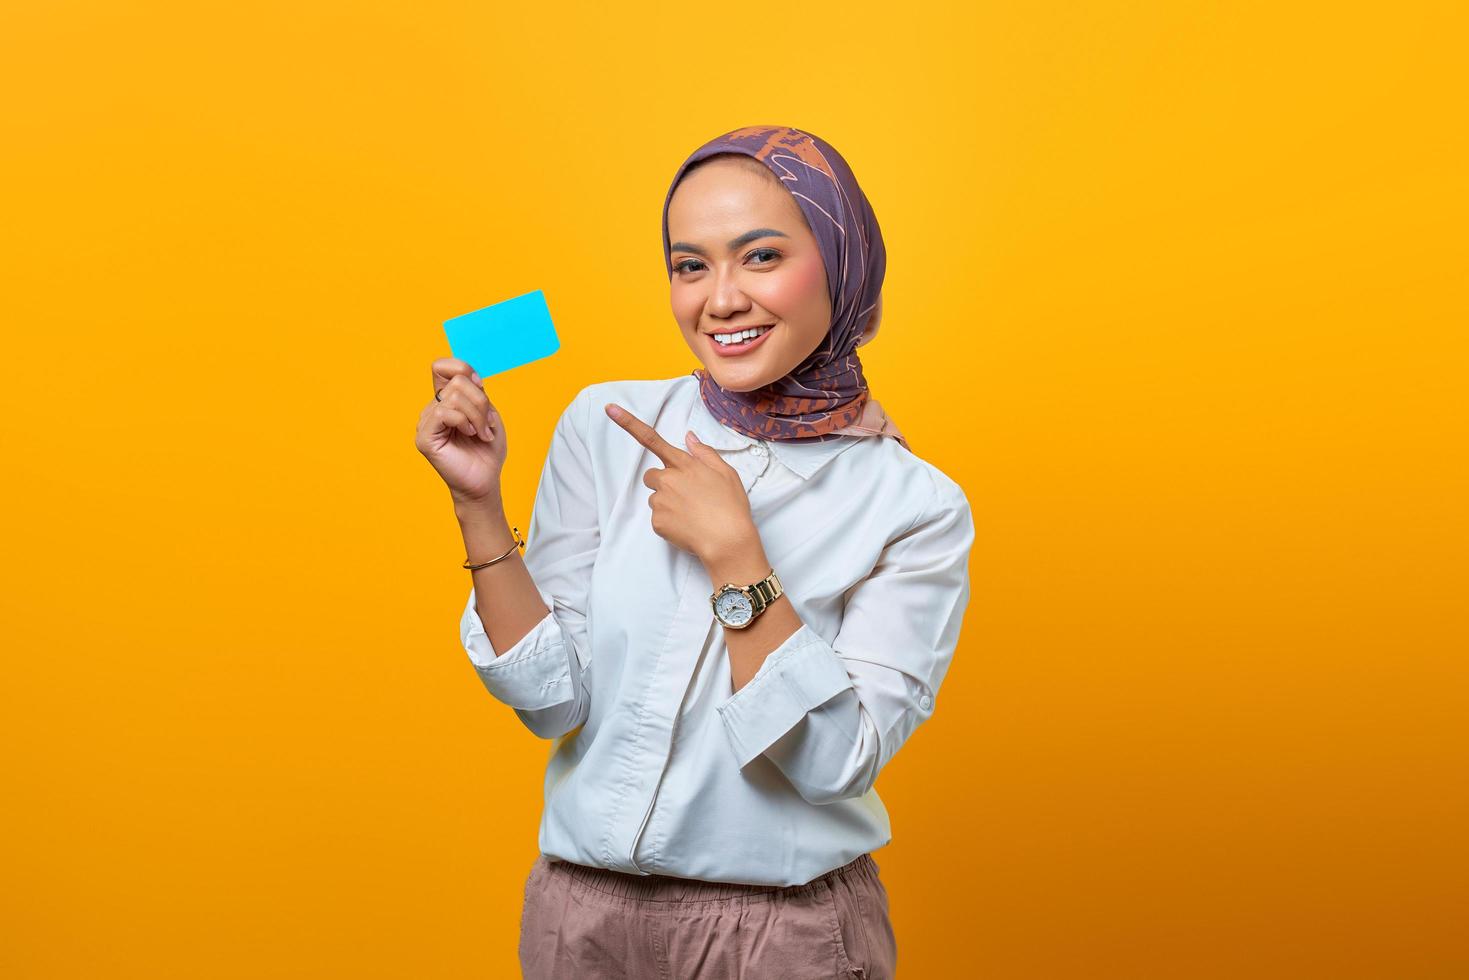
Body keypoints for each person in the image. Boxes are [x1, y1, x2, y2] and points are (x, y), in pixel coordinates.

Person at [415, 125, 974, 979]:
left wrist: (735, 554)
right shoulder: (604, 425)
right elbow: (549, 706)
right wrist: (478, 503)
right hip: (578, 919)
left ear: (842, 259)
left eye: (759, 256)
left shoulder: (915, 505)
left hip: (779, 936)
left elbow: (834, 762)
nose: (719, 300)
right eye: (689, 265)